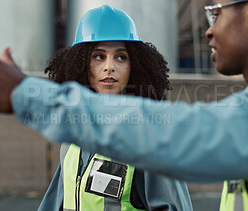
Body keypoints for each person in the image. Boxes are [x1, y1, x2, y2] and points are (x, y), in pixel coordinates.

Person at [0, 0, 248, 210]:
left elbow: (187, 134)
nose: (207, 27)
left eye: (215, 10)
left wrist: (26, 94)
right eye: (98, 57)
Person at [37, 5, 192, 211]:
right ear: (81, 64)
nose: (109, 66)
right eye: (99, 56)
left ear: (135, 66)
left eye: (121, 57)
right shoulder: (73, 139)